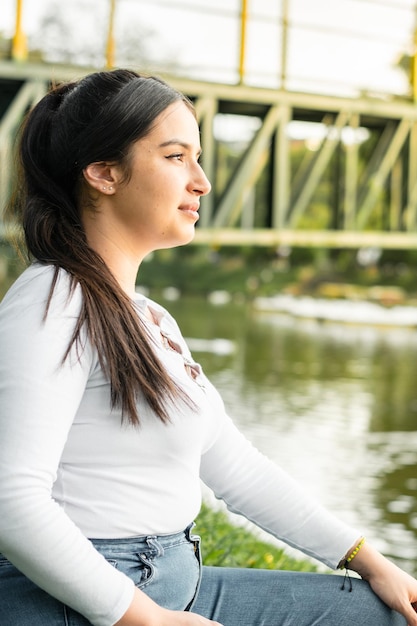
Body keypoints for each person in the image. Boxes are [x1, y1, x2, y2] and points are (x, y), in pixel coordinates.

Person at [0, 68, 416, 626]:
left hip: (173, 583)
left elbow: (237, 469)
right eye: (176, 158)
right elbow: (11, 498)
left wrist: (370, 560)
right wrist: (146, 619)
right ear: (103, 173)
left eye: (197, 158)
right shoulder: (53, 299)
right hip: (84, 601)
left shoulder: (148, 318)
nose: (202, 181)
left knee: (386, 612)